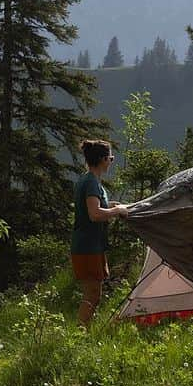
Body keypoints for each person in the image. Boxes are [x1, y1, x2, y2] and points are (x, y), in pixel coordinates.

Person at [71, 139, 129, 326]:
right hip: (87, 246)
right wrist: (116, 211)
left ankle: (85, 330)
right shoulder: (91, 183)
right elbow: (95, 214)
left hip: (91, 245)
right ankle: (80, 332)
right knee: (92, 293)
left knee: (95, 292)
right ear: (103, 160)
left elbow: (97, 207)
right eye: (111, 158)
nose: (111, 162)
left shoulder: (90, 181)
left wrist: (111, 206)